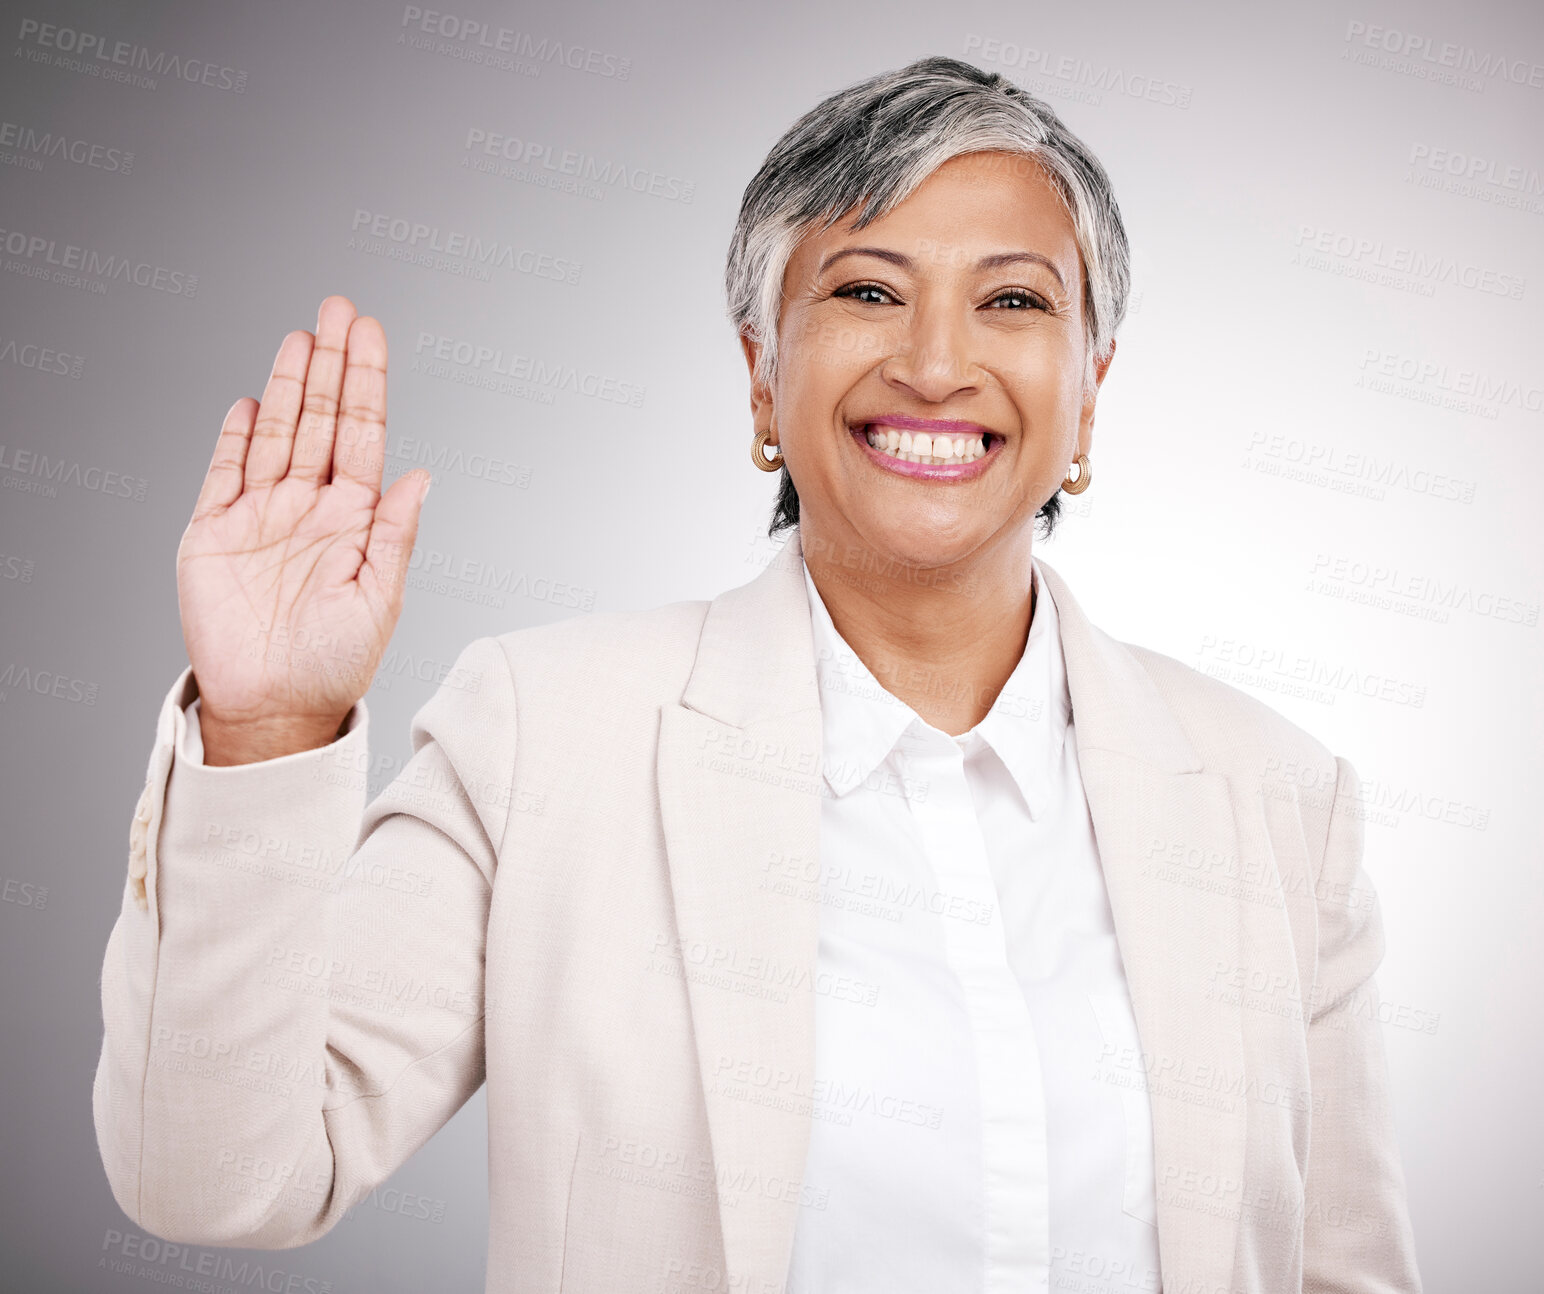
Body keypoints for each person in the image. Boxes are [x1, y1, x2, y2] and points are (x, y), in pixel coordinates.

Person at [94, 55, 1423, 1294]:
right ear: (757, 377)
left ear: (1090, 393)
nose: (937, 362)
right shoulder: (546, 739)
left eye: (1014, 299)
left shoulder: (1276, 802)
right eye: (865, 289)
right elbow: (222, 1177)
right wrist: (267, 724)